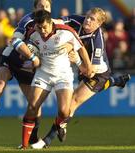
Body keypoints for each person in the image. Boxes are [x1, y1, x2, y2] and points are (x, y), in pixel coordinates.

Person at [31, 7, 131, 149]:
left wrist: (76, 58)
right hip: (82, 68)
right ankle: (117, 81)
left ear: (99, 25)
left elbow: (90, 71)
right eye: (88, 16)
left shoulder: (98, 40)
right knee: (68, 108)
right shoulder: (77, 20)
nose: (88, 20)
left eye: (93, 19)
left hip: (97, 72)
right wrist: (36, 22)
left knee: (71, 103)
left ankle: (46, 141)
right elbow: (56, 21)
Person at [0, 0, 51, 145]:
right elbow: (15, 40)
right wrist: (32, 56)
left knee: (34, 105)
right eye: (41, 5)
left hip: (27, 67)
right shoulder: (28, 21)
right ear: (35, 8)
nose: (44, 8)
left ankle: (33, 137)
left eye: (47, 6)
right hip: (11, 59)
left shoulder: (54, 25)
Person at [19, 9, 93, 149]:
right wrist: (29, 57)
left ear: (50, 22)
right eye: (39, 27)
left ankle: (60, 124)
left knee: (65, 111)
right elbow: (28, 50)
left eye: (44, 27)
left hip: (63, 75)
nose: (42, 31)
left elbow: (81, 48)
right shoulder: (33, 34)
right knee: (32, 107)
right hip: (43, 74)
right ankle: (24, 145)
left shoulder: (66, 31)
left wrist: (88, 66)